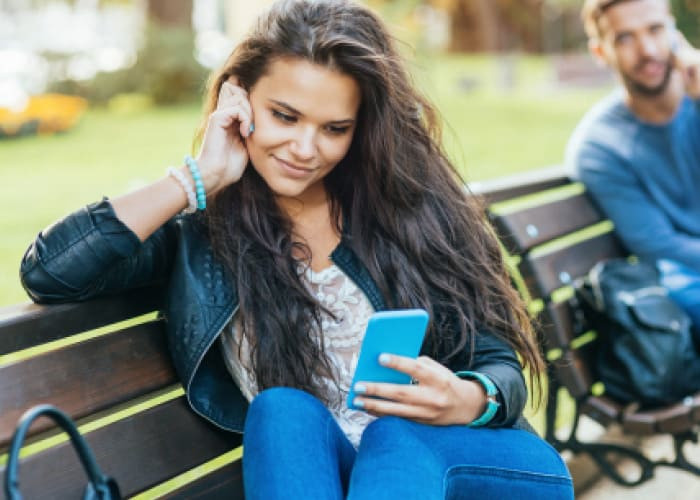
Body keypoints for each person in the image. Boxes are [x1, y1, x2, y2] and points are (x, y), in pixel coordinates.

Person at [20, 1, 573, 498]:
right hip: (330, 474)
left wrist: (468, 399)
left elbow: (500, 363)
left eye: (334, 128)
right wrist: (200, 178)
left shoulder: (412, 210)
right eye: (285, 116)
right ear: (239, 97)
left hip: (471, 464)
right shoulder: (199, 236)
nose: (305, 149)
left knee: (396, 436)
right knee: (281, 411)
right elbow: (50, 272)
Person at [567, 0, 700, 327]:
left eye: (655, 30)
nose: (648, 50)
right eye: (625, 38)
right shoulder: (599, 146)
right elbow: (658, 244)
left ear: (674, 32)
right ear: (601, 52)